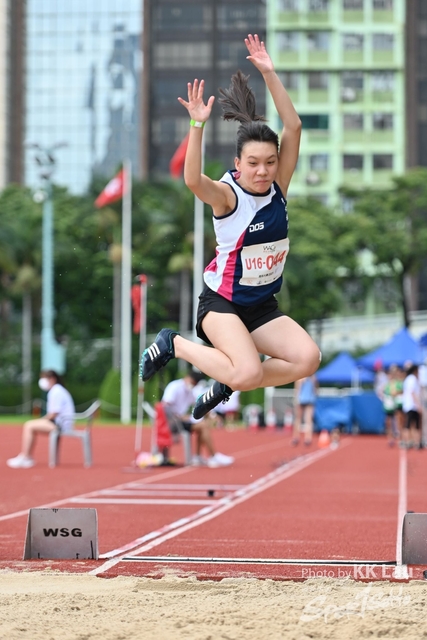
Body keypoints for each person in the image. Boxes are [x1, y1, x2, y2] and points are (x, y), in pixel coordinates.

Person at [140, 33, 320, 420]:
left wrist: (270, 74)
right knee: (249, 369)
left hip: (260, 307)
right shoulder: (228, 196)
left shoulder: (278, 189)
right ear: (239, 162)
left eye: (270, 162)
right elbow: (192, 182)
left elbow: (294, 126)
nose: (263, 171)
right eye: (253, 163)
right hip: (222, 304)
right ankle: (176, 344)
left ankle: (229, 381)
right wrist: (196, 125)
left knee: (308, 359)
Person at [161, 371, 234, 468]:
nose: (193, 385)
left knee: (203, 425)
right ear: (187, 377)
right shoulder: (174, 387)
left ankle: (199, 456)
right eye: (192, 382)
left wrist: (213, 416)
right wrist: (179, 416)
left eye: (195, 384)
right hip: (172, 421)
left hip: (182, 421)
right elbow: (165, 406)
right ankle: (212, 456)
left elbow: (201, 405)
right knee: (203, 425)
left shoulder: (190, 390)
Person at [7, 370, 75, 469]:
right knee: (31, 425)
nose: (42, 381)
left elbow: (54, 413)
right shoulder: (57, 390)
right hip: (61, 422)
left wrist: (43, 420)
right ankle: (26, 456)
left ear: (52, 379)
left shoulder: (56, 391)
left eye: (44, 378)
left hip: (60, 424)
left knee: (29, 425)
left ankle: (26, 457)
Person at [291, 375, 317, 446]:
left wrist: (296, 400)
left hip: (302, 399)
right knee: (308, 420)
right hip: (310, 399)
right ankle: (308, 438)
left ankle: (296, 437)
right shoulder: (313, 377)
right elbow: (315, 390)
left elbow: (297, 390)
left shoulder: (300, 377)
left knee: (298, 419)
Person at [401, 364, 422, 449]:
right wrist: (418, 405)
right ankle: (414, 442)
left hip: (408, 404)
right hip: (412, 405)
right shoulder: (412, 379)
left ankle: (409, 442)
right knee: (414, 424)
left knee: (409, 424)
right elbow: (412, 393)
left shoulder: (407, 379)